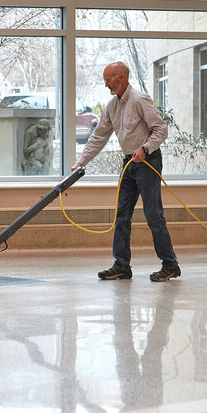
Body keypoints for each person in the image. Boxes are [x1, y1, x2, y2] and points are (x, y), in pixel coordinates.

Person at [72, 61, 180, 282]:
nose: (106, 85)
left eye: (108, 80)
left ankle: (170, 264)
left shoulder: (140, 100)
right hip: (129, 164)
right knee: (122, 215)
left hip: (147, 162)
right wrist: (82, 162)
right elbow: (99, 136)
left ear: (121, 78)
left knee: (153, 214)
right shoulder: (113, 106)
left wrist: (145, 148)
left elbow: (161, 129)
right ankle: (122, 264)